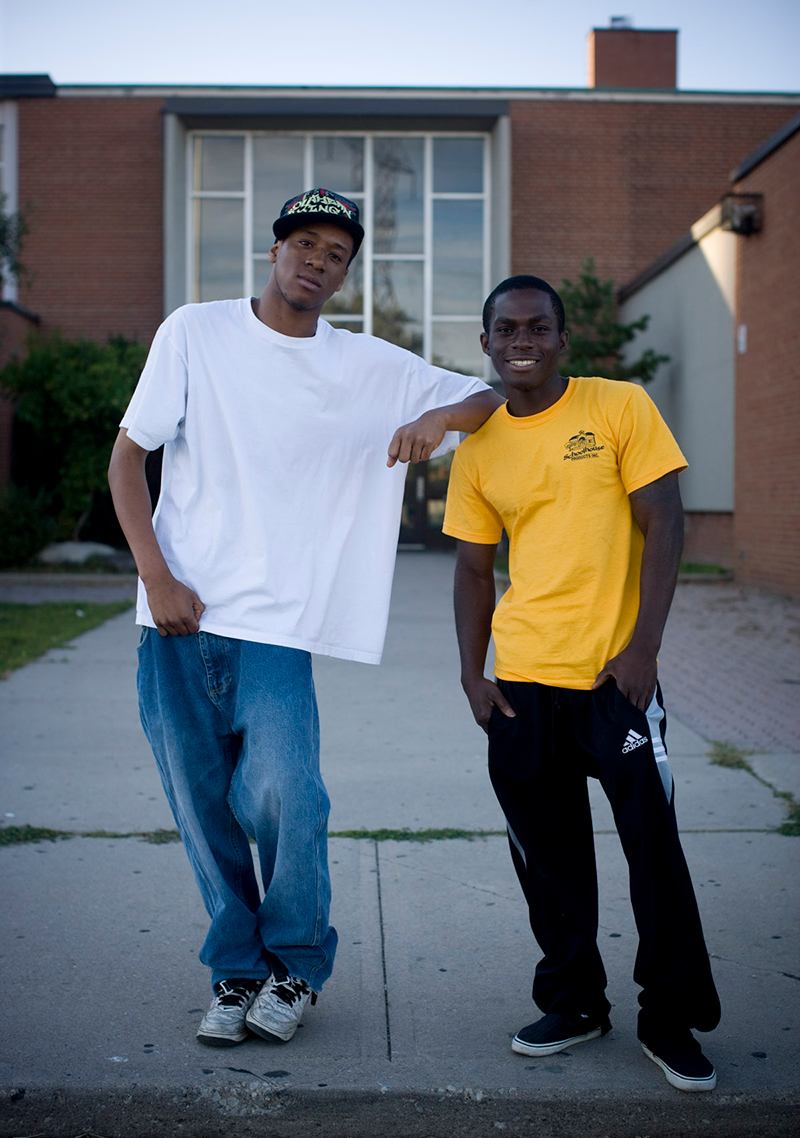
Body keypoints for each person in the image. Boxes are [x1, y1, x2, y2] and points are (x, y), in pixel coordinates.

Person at [108, 188, 501, 1049]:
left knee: (288, 796)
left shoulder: (365, 365)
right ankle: (235, 970)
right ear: (276, 248)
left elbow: (488, 395)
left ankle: (293, 964)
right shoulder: (195, 333)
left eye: (337, 254)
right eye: (305, 243)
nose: (317, 262)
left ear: (346, 274)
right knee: (201, 803)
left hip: (278, 627)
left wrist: (436, 415)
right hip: (173, 616)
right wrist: (157, 577)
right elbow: (129, 457)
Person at [442, 275, 720, 1093]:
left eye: (537, 327)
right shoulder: (481, 442)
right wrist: (470, 673)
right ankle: (574, 999)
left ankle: (670, 1018)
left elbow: (666, 520)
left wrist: (644, 649)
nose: (520, 340)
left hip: (614, 679)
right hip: (522, 687)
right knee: (550, 859)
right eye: (504, 329)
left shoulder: (618, 407)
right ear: (485, 343)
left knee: (653, 853)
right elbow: (471, 567)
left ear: (563, 339)